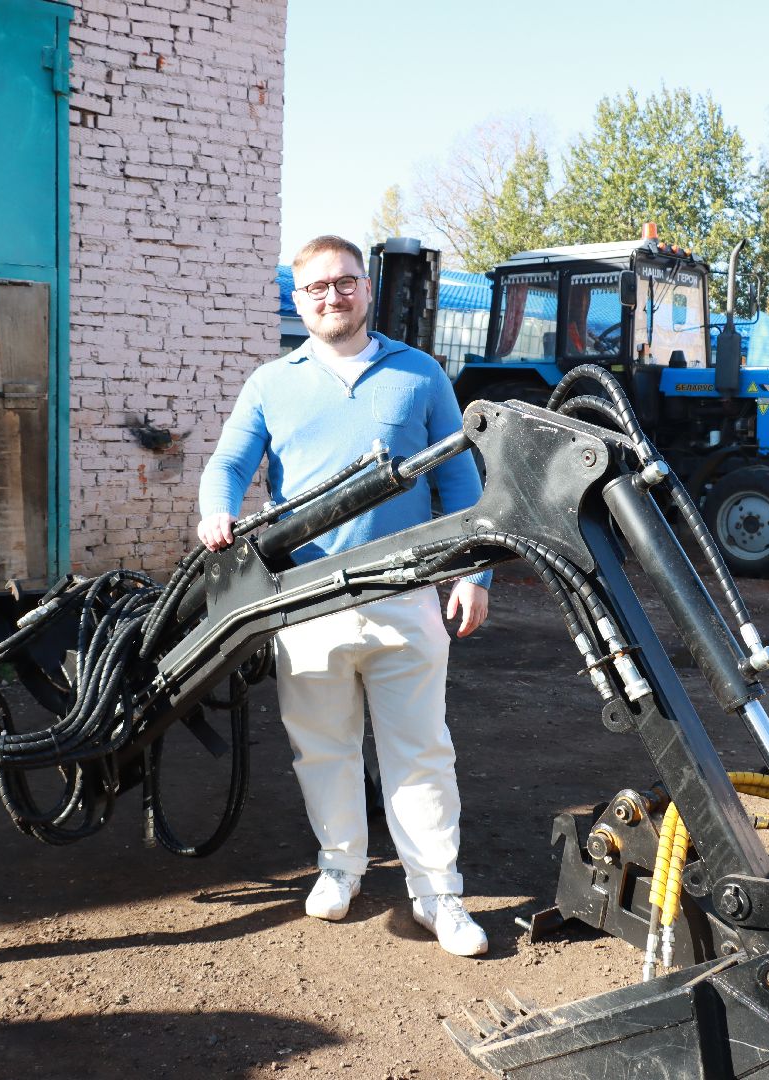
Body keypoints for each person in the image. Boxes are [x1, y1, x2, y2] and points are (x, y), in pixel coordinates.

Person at [196, 235, 492, 957]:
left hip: (406, 594)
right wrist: (217, 510)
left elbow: (459, 483)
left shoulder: (419, 375)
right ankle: (340, 868)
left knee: (420, 750)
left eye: (345, 283)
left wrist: (474, 574)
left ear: (367, 290)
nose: (332, 297)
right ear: (298, 301)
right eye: (316, 288)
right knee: (322, 747)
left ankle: (438, 894)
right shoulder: (273, 382)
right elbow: (229, 463)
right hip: (305, 601)